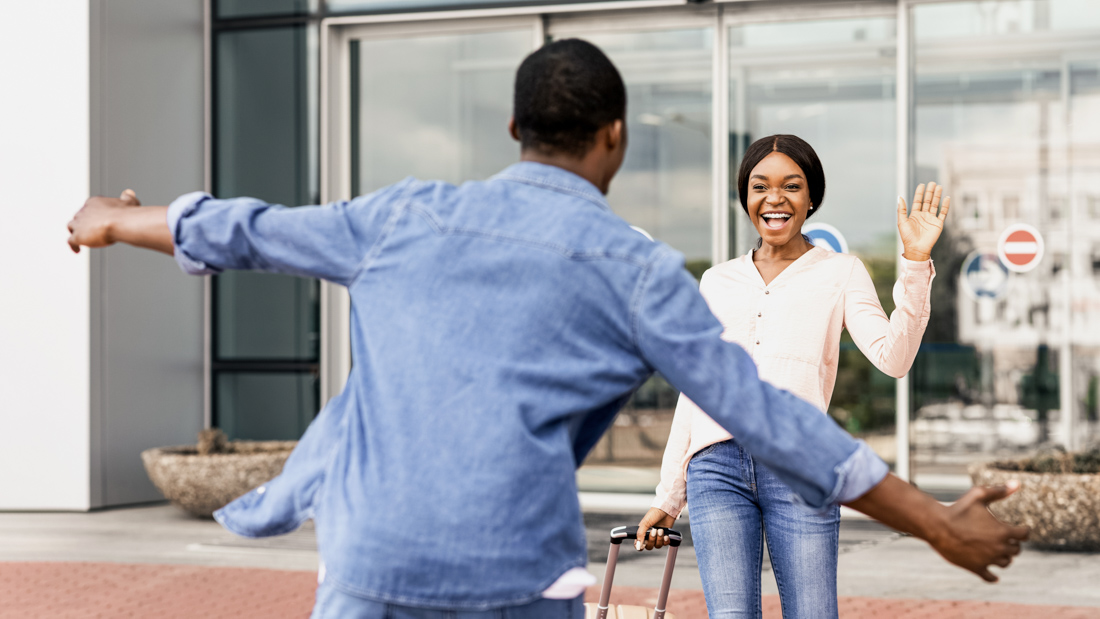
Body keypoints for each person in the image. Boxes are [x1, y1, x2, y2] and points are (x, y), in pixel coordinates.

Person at [66, 39, 1026, 619]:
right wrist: (934, 518)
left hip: (370, 561)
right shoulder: (638, 270)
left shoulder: (404, 213)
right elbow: (764, 415)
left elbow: (246, 228)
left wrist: (115, 220)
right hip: (513, 566)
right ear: (613, 136)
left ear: (516, 130)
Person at [636, 134, 949, 618]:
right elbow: (695, 391)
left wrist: (913, 263)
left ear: (810, 198)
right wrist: (668, 496)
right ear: (745, 197)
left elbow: (894, 358)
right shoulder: (717, 280)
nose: (774, 198)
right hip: (715, 469)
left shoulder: (841, 271)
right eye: (760, 186)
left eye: (791, 186)